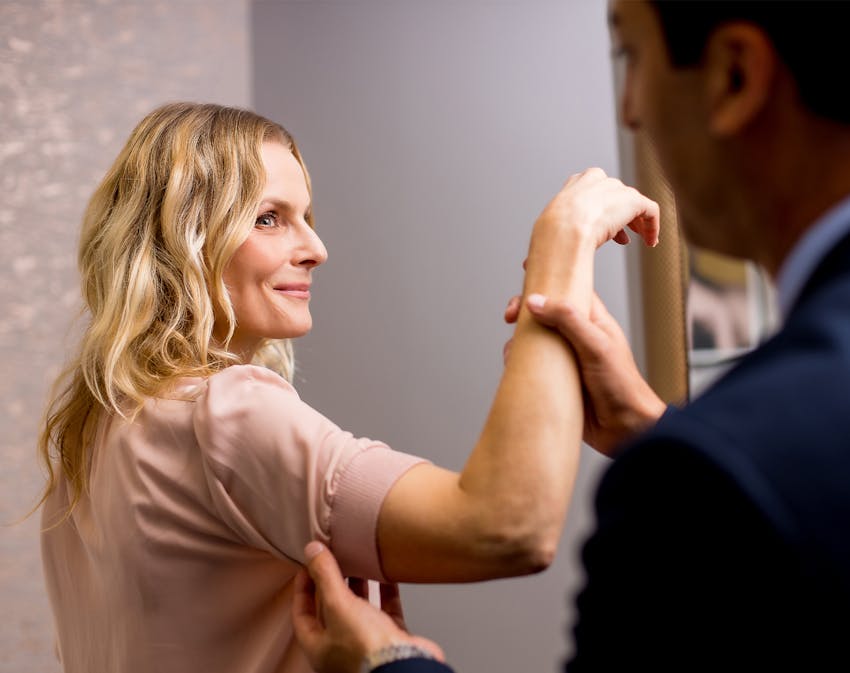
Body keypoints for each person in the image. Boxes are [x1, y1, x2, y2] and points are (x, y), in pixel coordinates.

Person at [291, 1, 850, 671]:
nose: (630, 110)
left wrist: (387, 664)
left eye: (632, 58)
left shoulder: (707, 477)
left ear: (734, 75)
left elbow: (508, 527)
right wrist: (650, 424)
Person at [37, 102, 659, 672]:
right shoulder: (228, 412)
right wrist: (562, 247)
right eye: (268, 218)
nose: (316, 248)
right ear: (178, 242)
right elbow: (507, 527)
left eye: (305, 217)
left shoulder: (90, 435)